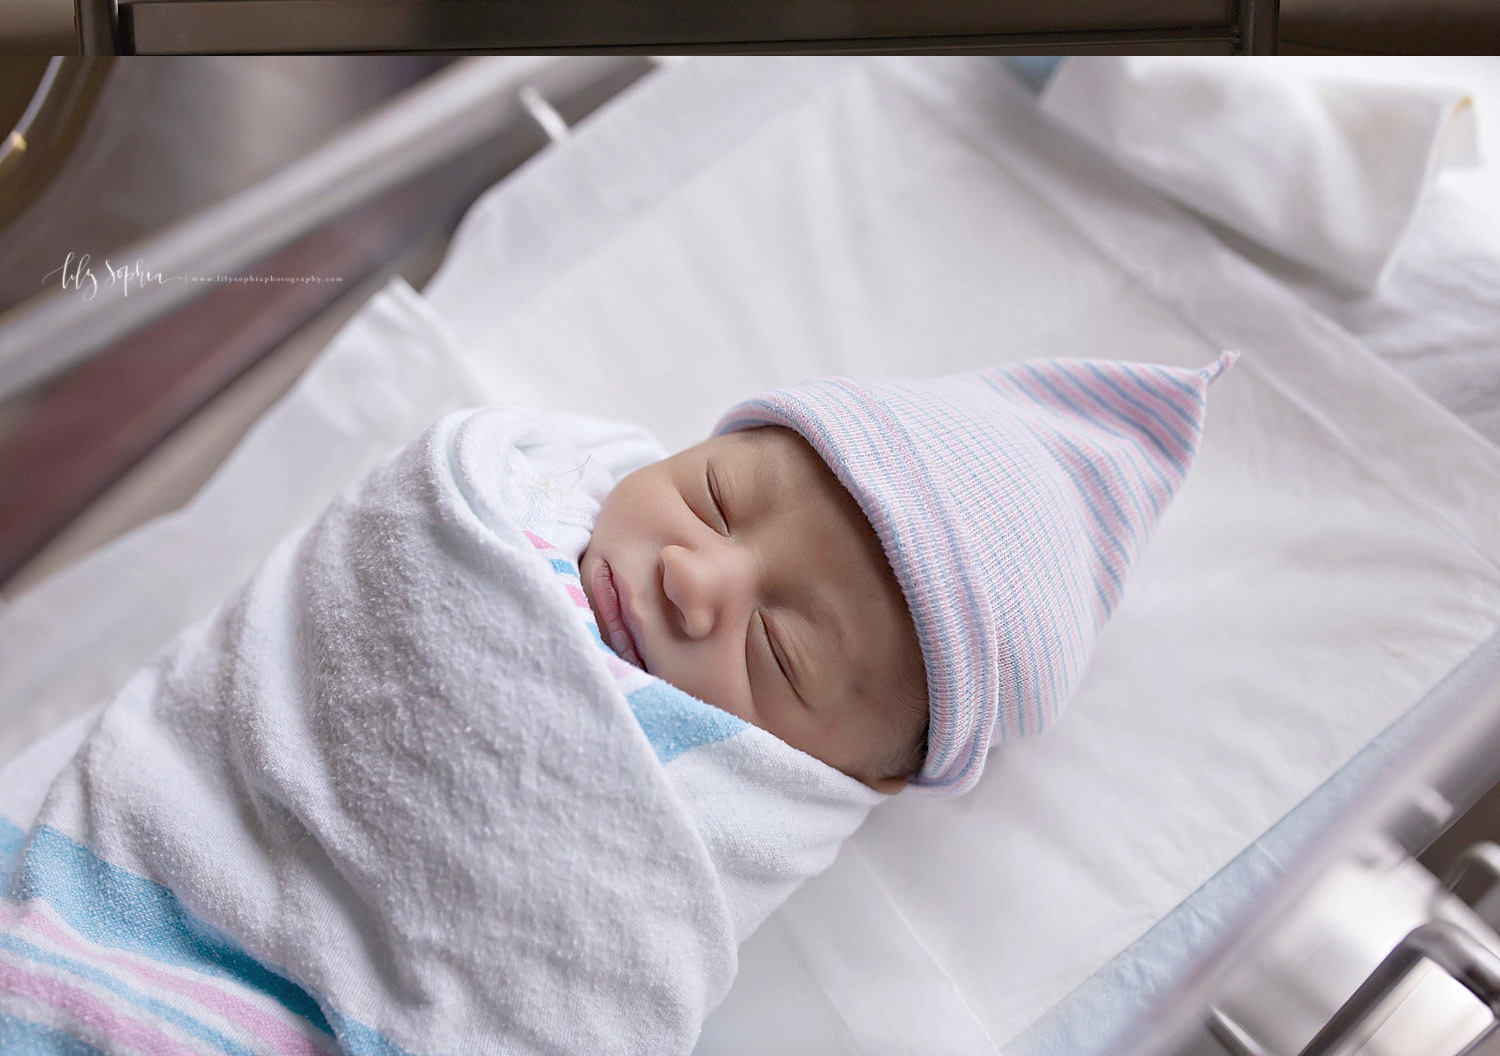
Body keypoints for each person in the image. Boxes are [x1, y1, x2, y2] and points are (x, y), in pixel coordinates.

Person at [0, 351, 1225, 1055]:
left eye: (783, 651)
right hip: (102, 869)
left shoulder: (722, 817)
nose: (697, 580)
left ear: (862, 775)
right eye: (715, 497)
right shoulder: (503, 501)